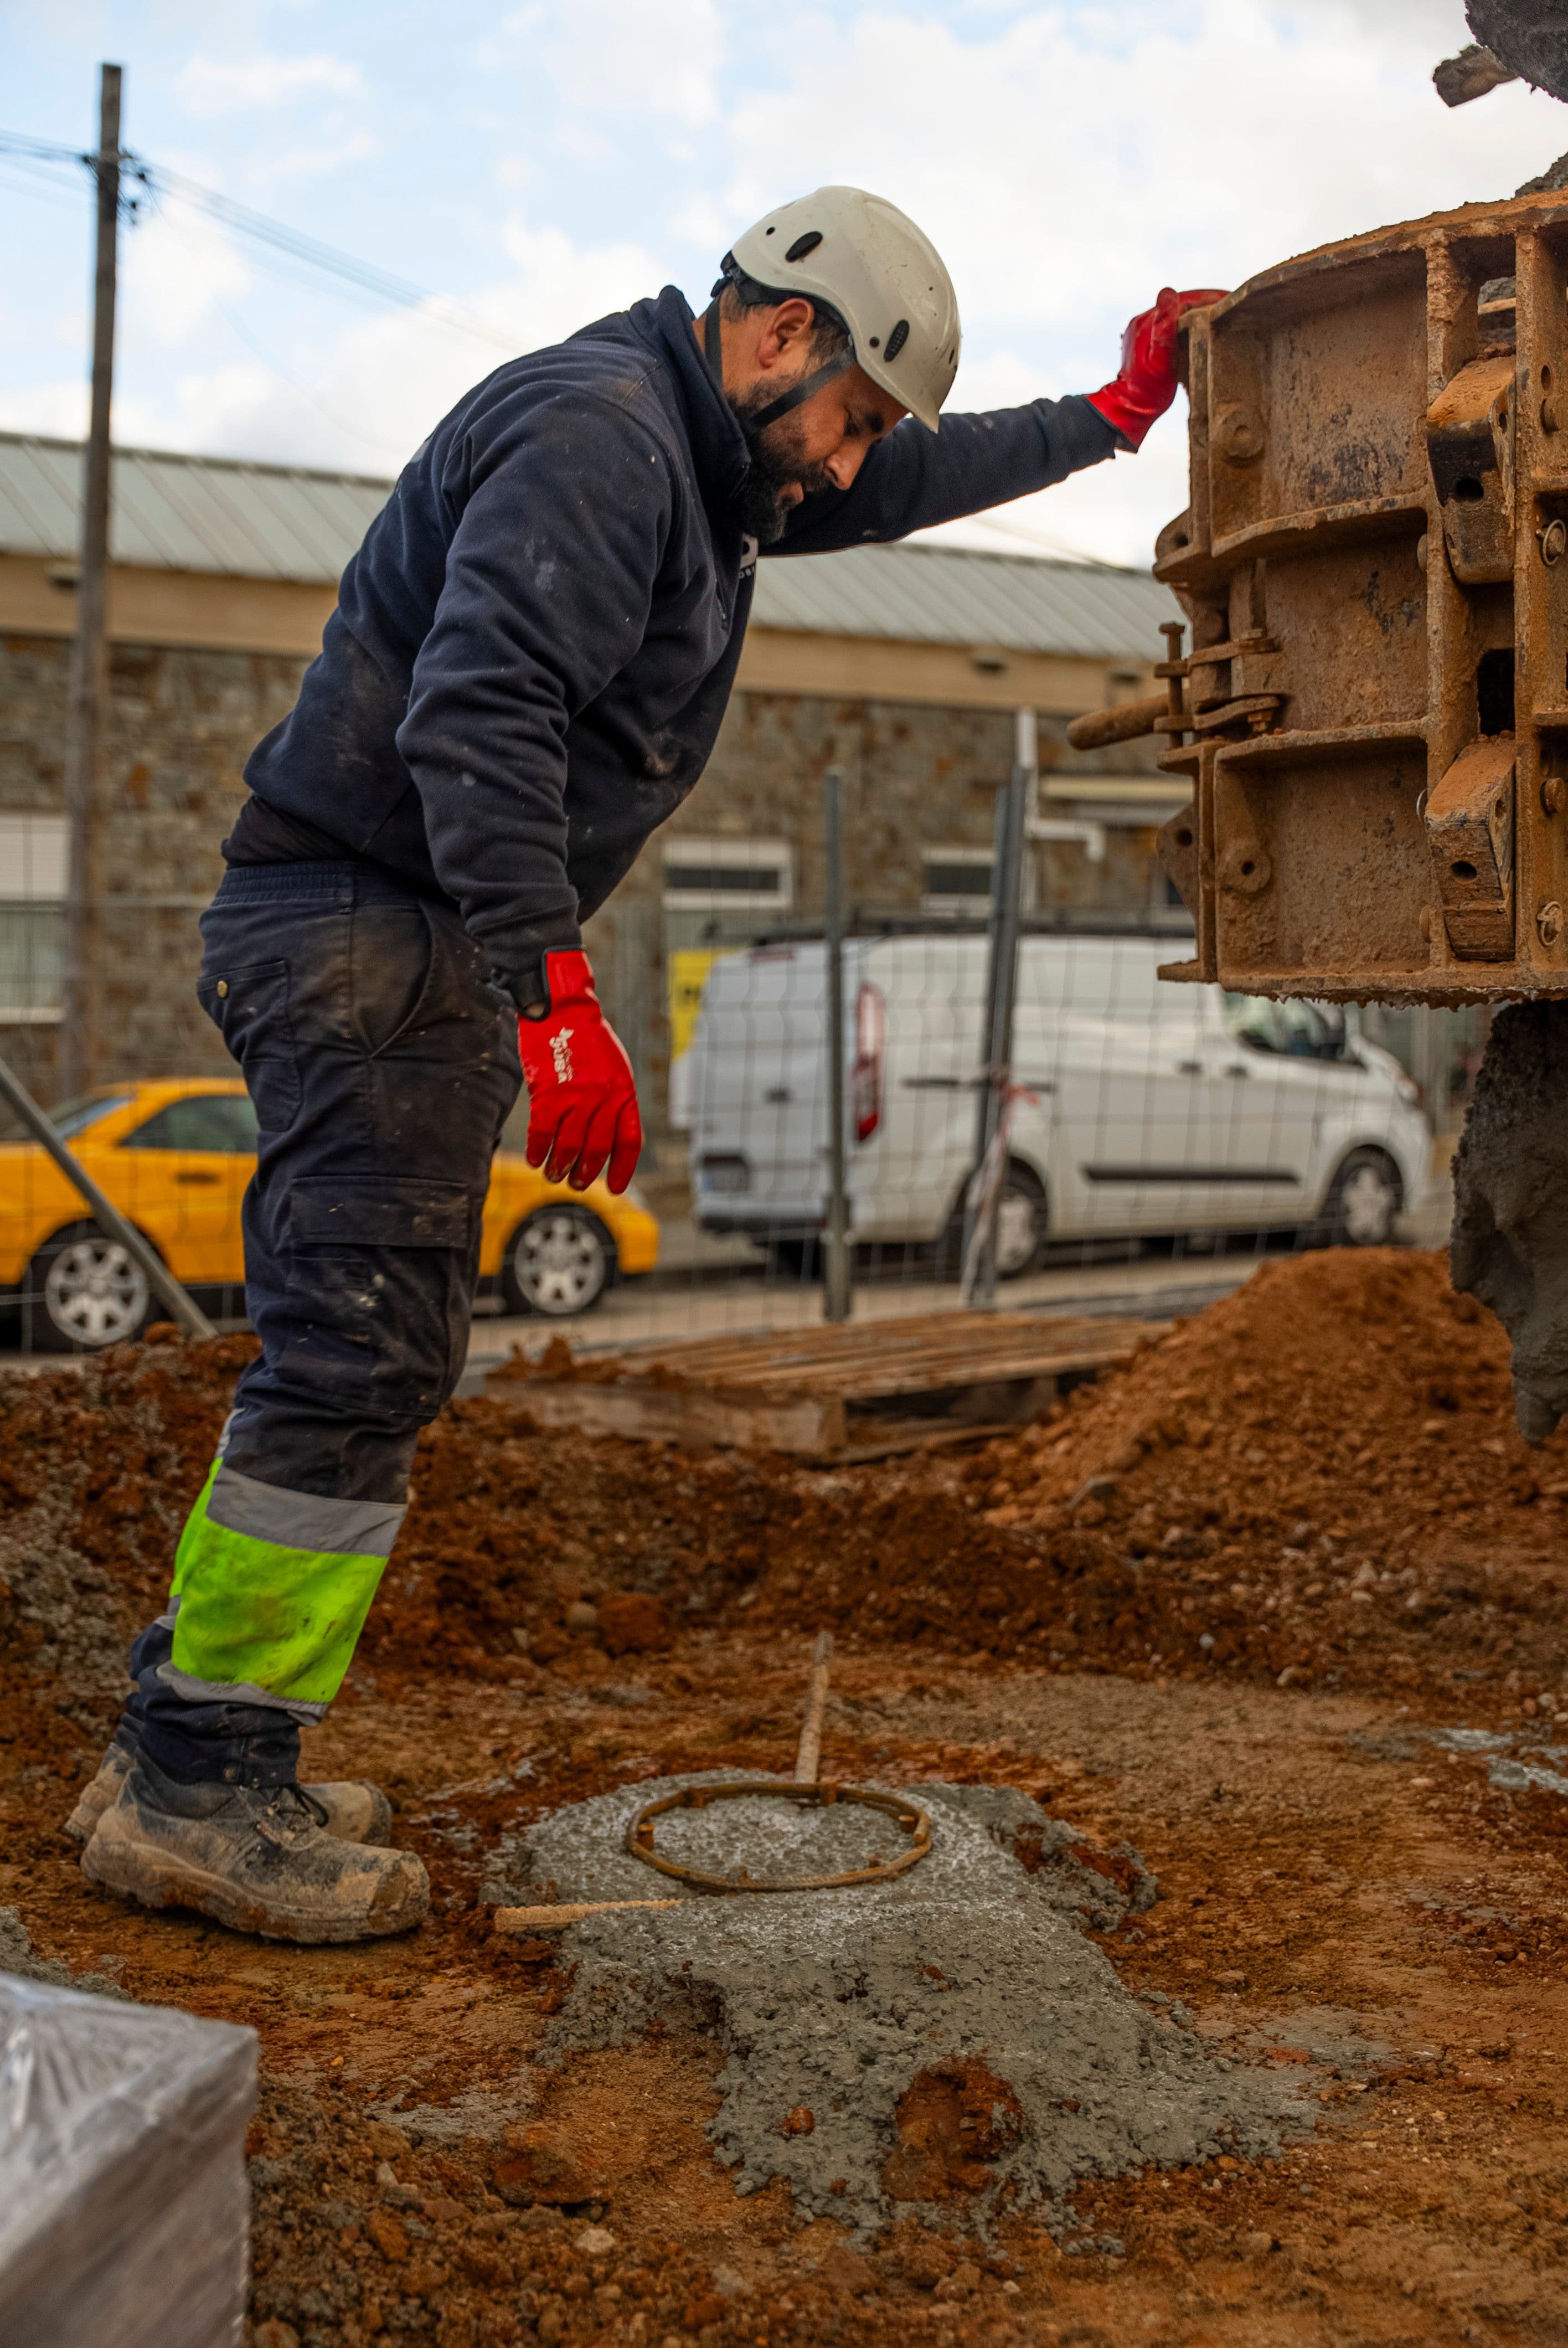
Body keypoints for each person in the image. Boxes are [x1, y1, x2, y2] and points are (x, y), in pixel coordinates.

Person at [71, 184, 1221, 1942]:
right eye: (850, 418)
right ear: (780, 333)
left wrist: (1115, 415)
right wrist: (555, 995)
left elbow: (910, 477)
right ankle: (199, 1783)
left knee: (350, 1352)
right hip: (371, 930)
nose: (849, 467)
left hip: (391, 927)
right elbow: (480, 711)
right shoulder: (605, 442)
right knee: (358, 1357)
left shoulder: (713, 455)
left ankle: (182, 1742)